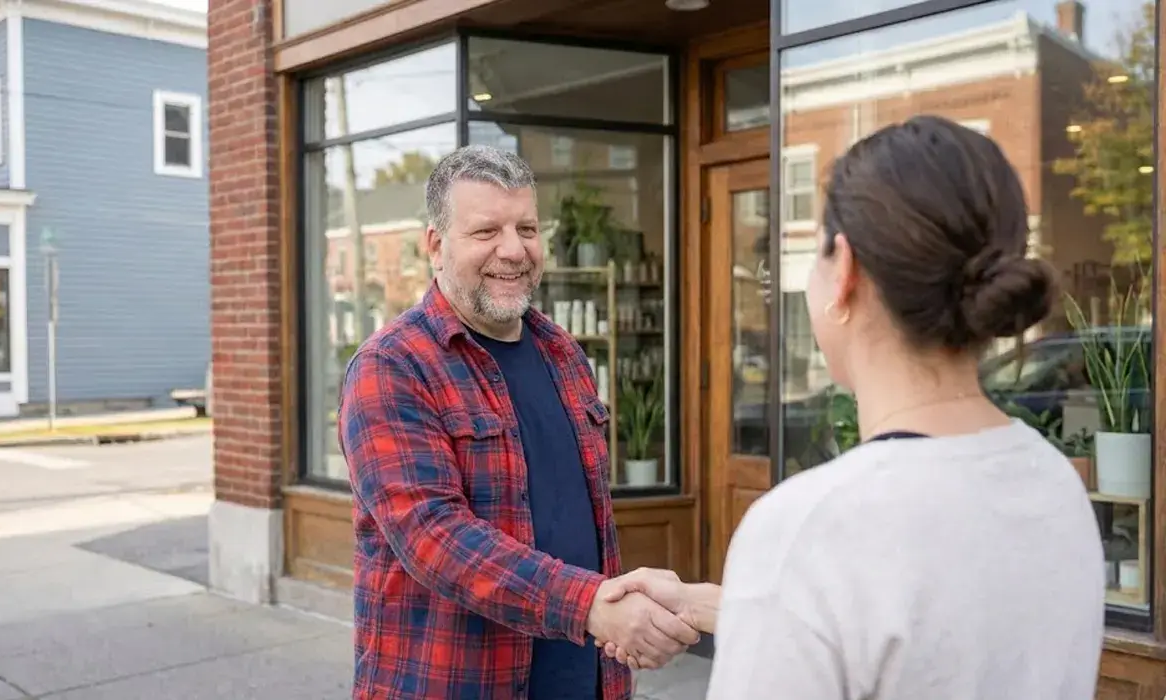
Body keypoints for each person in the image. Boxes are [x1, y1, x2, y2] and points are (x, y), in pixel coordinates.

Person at [602, 115, 1106, 698]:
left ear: (844, 270)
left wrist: (770, 588)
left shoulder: (812, 527)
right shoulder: (1054, 480)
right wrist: (711, 602)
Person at [337, 144, 699, 700]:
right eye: (486, 232)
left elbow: (583, 524)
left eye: (527, 228)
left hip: (583, 679)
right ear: (435, 246)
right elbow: (435, 538)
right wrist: (592, 607)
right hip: (451, 683)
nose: (514, 250)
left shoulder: (563, 354)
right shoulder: (393, 367)